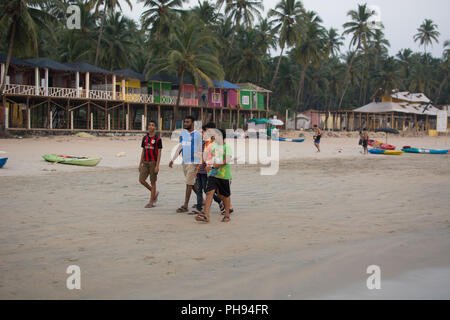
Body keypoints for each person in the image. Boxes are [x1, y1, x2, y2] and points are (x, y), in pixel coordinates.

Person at [196, 128, 232, 223]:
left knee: (225, 195)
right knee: (209, 192)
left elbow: (227, 160)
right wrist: (207, 166)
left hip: (224, 175)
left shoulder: (226, 147)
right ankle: (206, 215)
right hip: (213, 175)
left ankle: (227, 215)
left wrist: (213, 166)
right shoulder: (212, 146)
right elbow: (208, 157)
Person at [169, 115, 202, 213]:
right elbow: (180, 147)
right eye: (185, 122)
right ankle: (202, 200)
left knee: (188, 183)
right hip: (185, 162)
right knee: (191, 183)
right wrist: (173, 159)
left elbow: (200, 148)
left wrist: (199, 162)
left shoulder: (197, 135)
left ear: (192, 123)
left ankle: (185, 205)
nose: (185, 124)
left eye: (187, 122)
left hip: (193, 162)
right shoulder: (183, 134)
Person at [139, 120, 162, 208]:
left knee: (153, 182)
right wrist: (140, 164)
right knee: (141, 180)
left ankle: (151, 202)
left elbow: (159, 153)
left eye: (152, 125)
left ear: (155, 128)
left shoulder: (158, 139)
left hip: (153, 162)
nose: (150, 126)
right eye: (149, 125)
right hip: (145, 162)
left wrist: (157, 166)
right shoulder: (145, 138)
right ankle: (154, 193)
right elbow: (143, 151)